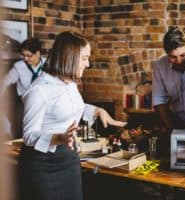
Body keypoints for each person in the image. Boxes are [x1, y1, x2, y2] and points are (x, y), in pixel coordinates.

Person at [18, 31, 127, 200]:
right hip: (42, 166)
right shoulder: (39, 90)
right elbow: (29, 136)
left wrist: (98, 111)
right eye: (84, 58)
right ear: (69, 57)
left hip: (69, 160)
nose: (88, 64)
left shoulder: (70, 83)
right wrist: (59, 138)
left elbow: (75, 108)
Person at [0, 37, 45, 138]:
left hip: (43, 105)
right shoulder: (19, 66)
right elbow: (4, 82)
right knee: (24, 134)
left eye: (29, 56)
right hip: (24, 104)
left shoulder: (48, 65)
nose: (25, 59)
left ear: (38, 53)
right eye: (23, 55)